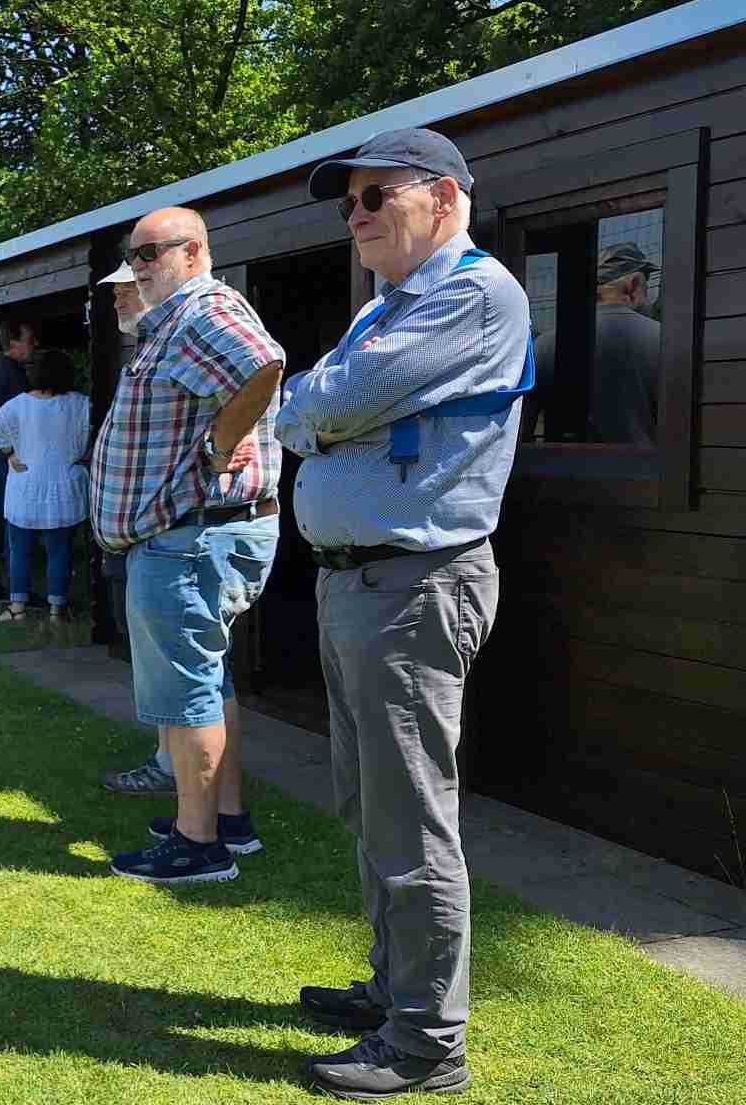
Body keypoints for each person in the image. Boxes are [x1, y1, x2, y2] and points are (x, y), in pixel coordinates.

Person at [280, 128, 530, 1100]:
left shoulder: (473, 294)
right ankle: (394, 992)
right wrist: (319, 409)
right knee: (370, 803)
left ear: (445, 197)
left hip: (413, 585)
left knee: (411, 815)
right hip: (363, 584)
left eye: (375, 196)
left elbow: (326, 406)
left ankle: (427, 1042)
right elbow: (307, 408)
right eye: (349, 203)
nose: (356, 216)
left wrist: (320, 411)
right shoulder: (390, 305)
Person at [94, 205, 283, 887]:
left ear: (195, 252)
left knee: (188, 690)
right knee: (206, 680)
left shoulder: (202, 308)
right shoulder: (177, 318)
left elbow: (262, 364)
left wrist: (220, 445)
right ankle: (226, 821)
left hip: (189, 538)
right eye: (133, 255)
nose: (139, 267)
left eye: (151, 253)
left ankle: (196, 844)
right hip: (191, 535)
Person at [93, 263, 173, 795]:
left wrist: (222, 449)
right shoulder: (143, 348)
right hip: (136, 535)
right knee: (156, 662)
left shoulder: (178, 341)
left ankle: (177, 774)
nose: (119, 299)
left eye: (130, 289)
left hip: (164, 534)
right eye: (117, 291)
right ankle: (172, 764)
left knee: (173, 668)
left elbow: (257, 375)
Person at [0, 350, 89, 622]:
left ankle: (17, 608)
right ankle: (57, 610)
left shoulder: (18, 405)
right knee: (59, 551)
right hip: (63, 487)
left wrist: (10, 454)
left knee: (19, 551)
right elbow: (95, 437)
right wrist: (81, 456)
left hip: (26, 487)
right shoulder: (81, 404)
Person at [530, 242, 660, 445]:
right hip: (643, 464)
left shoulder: (544, 345)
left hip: (562, 463)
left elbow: (523, 427)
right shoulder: (663, 339)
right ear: (634, 286)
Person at [0, 319, 38, 606]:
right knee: (11, 520)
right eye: (29, 340)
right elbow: (10, 421)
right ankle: (8, 588)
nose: (34, 345)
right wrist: (12, 454)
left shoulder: (1, 370)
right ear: (14, 344)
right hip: (6, 456)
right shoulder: (11, 374)